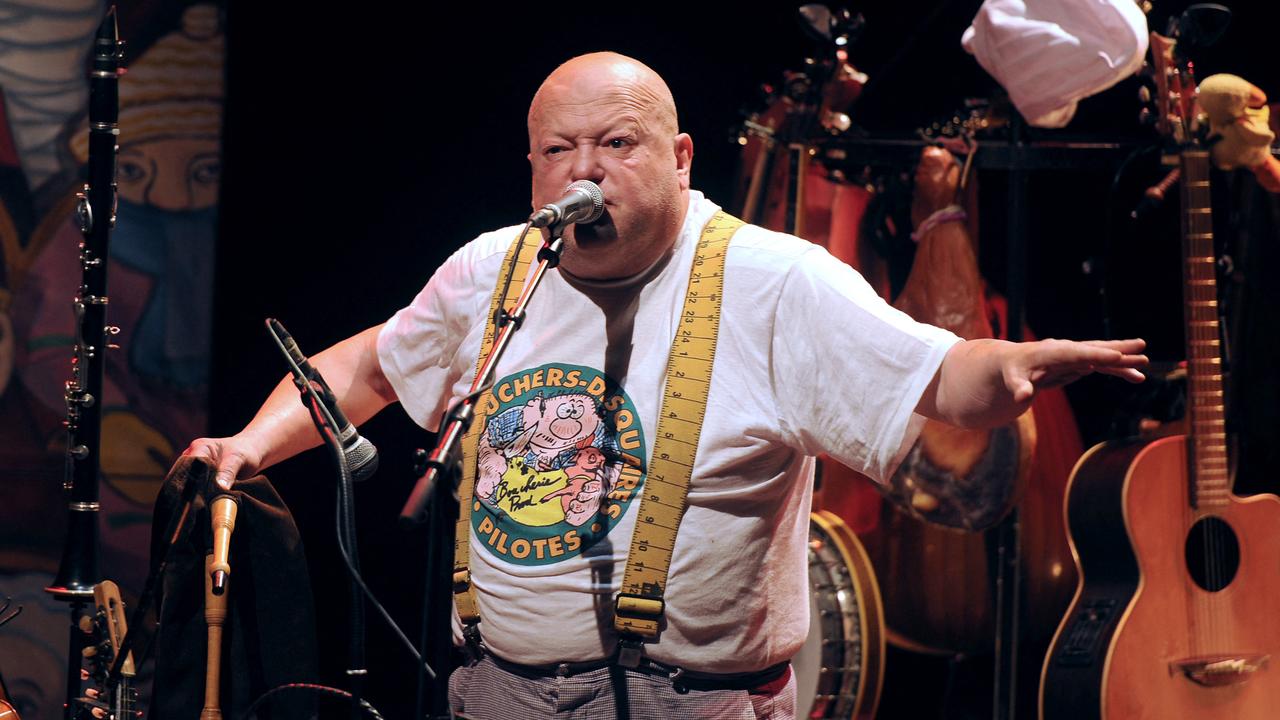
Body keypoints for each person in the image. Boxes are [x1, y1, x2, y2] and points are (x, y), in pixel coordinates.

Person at [183, 52, 1147, 718]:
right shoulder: (497, 269)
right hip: (495, 692)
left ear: (681, 157)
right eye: (559, 152)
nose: (584, 174)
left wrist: (1007, 367)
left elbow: (936, 375)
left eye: (616, 145)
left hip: (692, 701)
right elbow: (365, 365)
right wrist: (250, 447)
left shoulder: (774, 280)